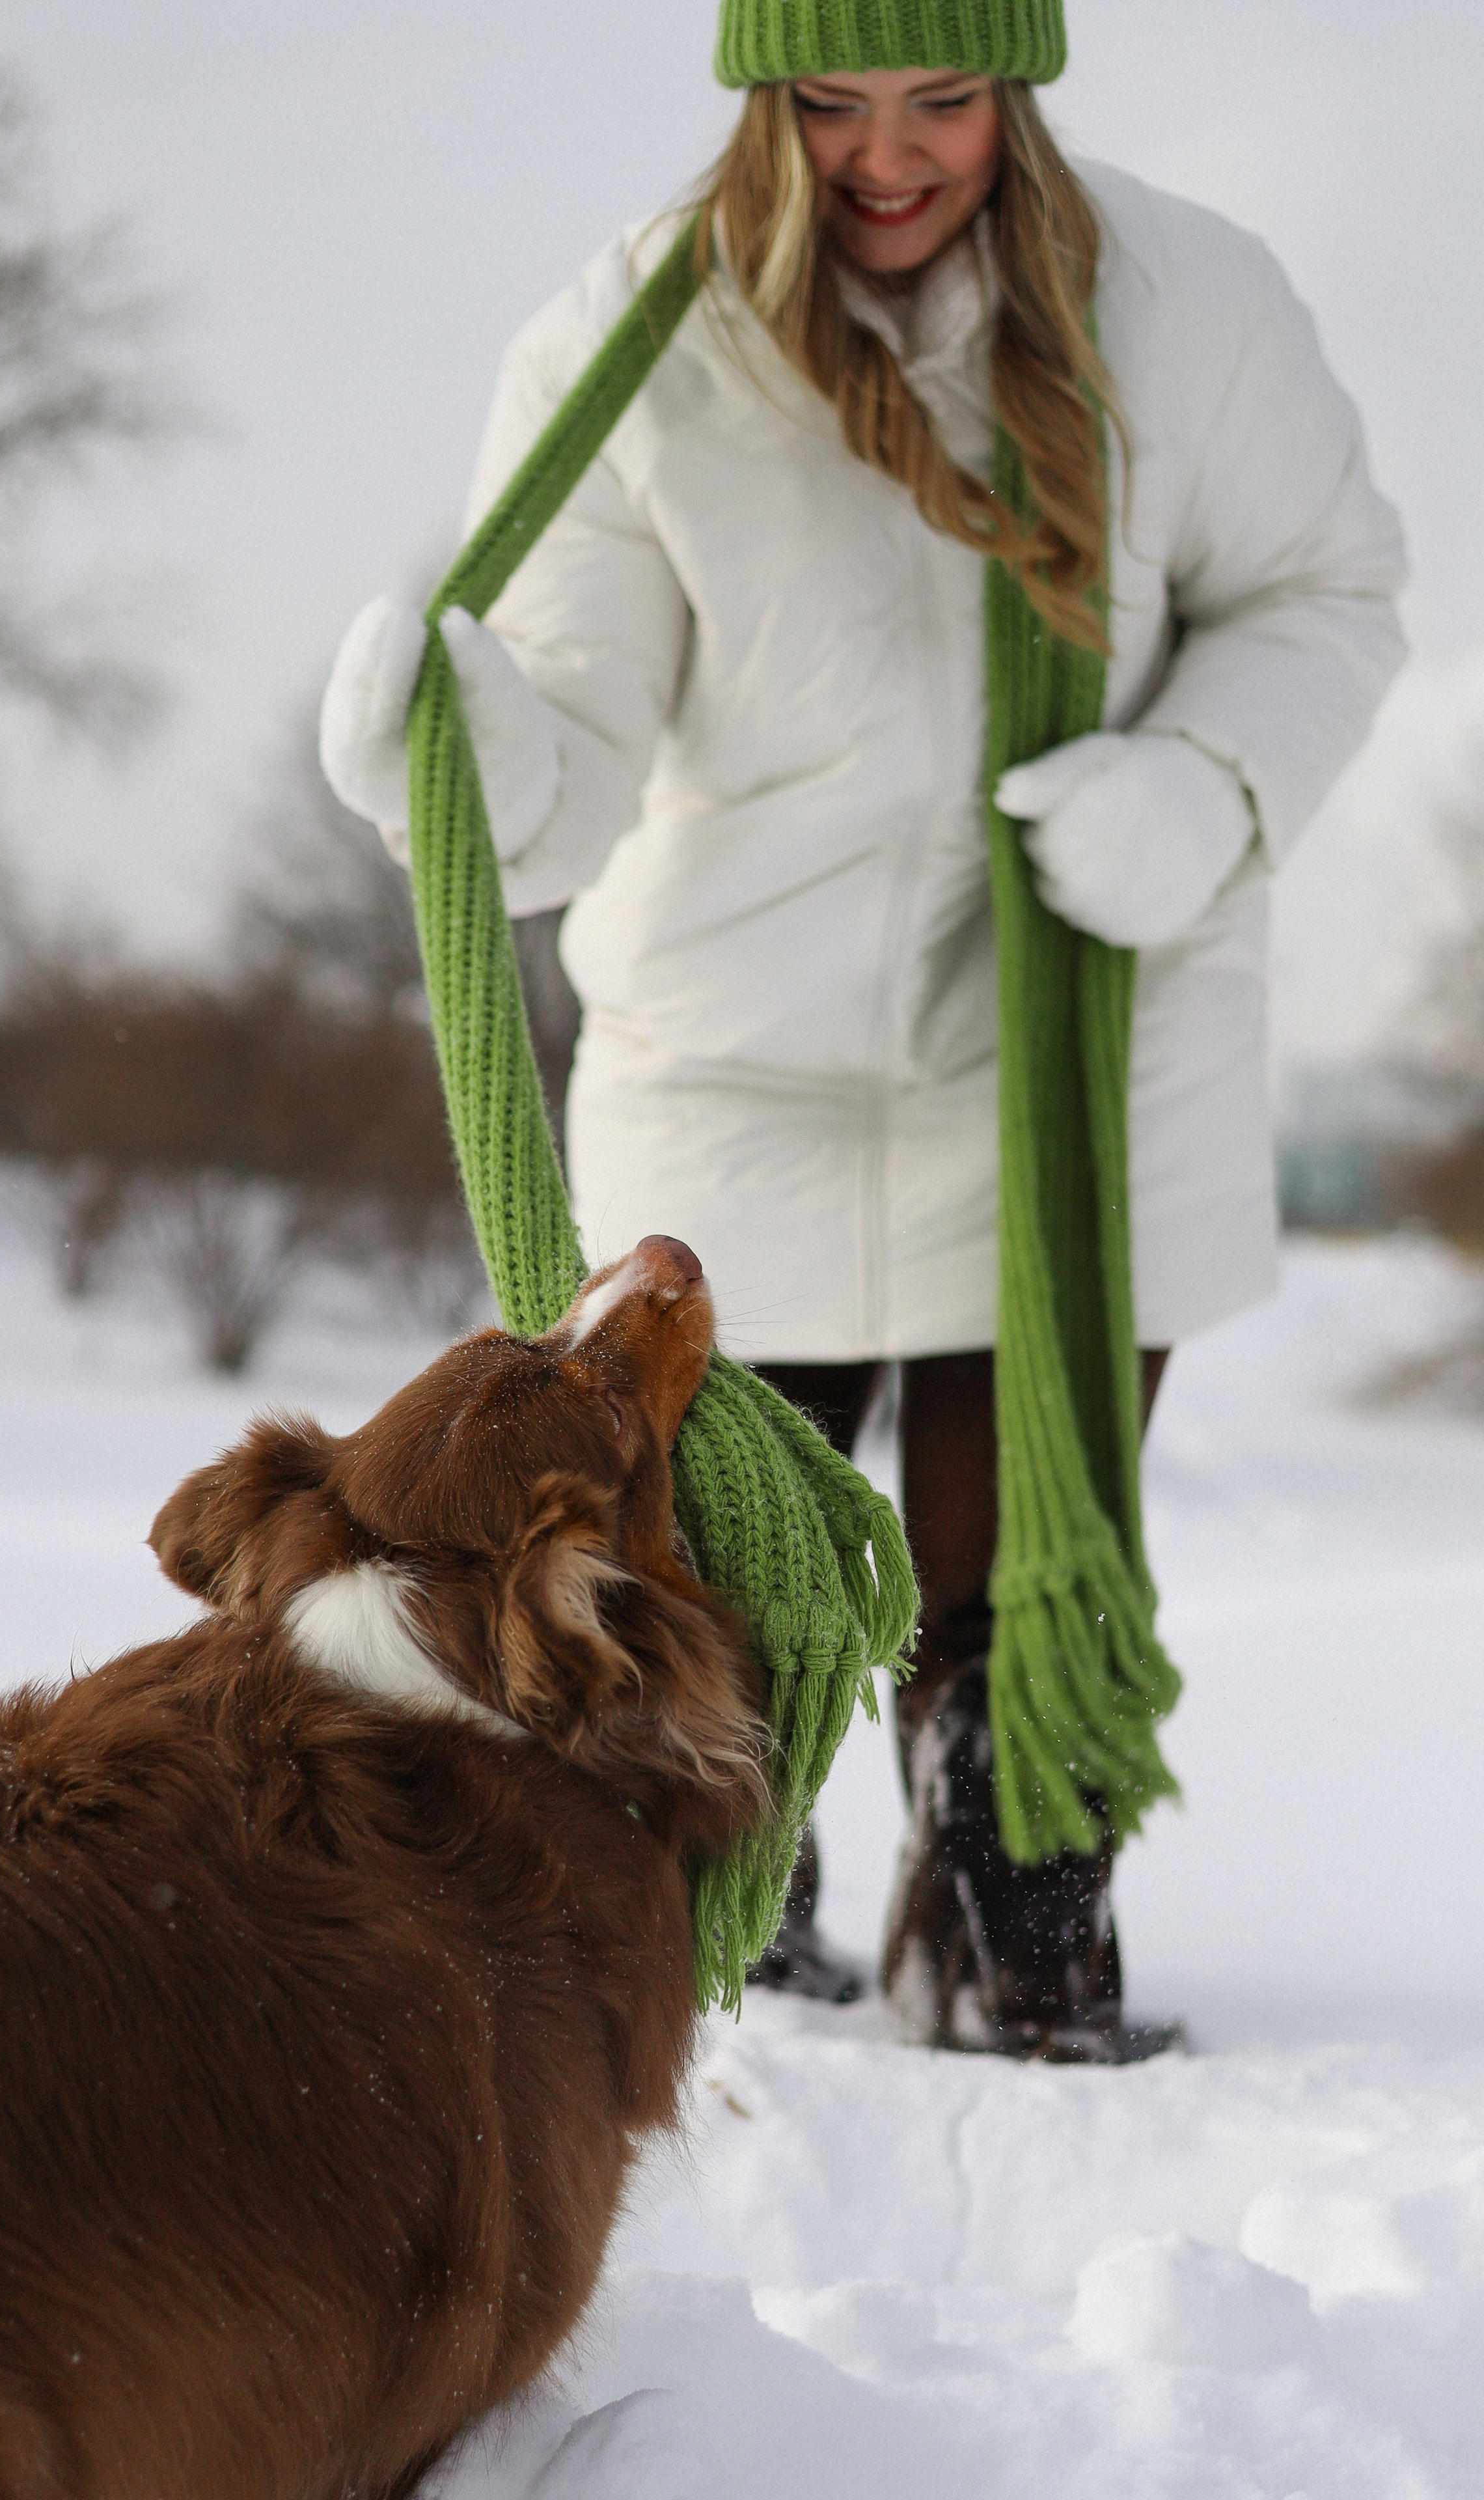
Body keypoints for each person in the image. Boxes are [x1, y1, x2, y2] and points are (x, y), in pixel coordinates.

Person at [319, 3, 1406, 2059]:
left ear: (1022, 85)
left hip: (1086, 1046)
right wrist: (445, 757)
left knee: (1018, 1574)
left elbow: (1329, 593)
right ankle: (754, 1950)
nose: (888, 159)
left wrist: (1212, 784)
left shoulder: (1188, 310)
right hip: (739, 1070)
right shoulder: (640, 345)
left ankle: (1023, 1941)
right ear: (759, 94)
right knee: (722, 1560)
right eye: (830, 104)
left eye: (944, 103)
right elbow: (565, 731)